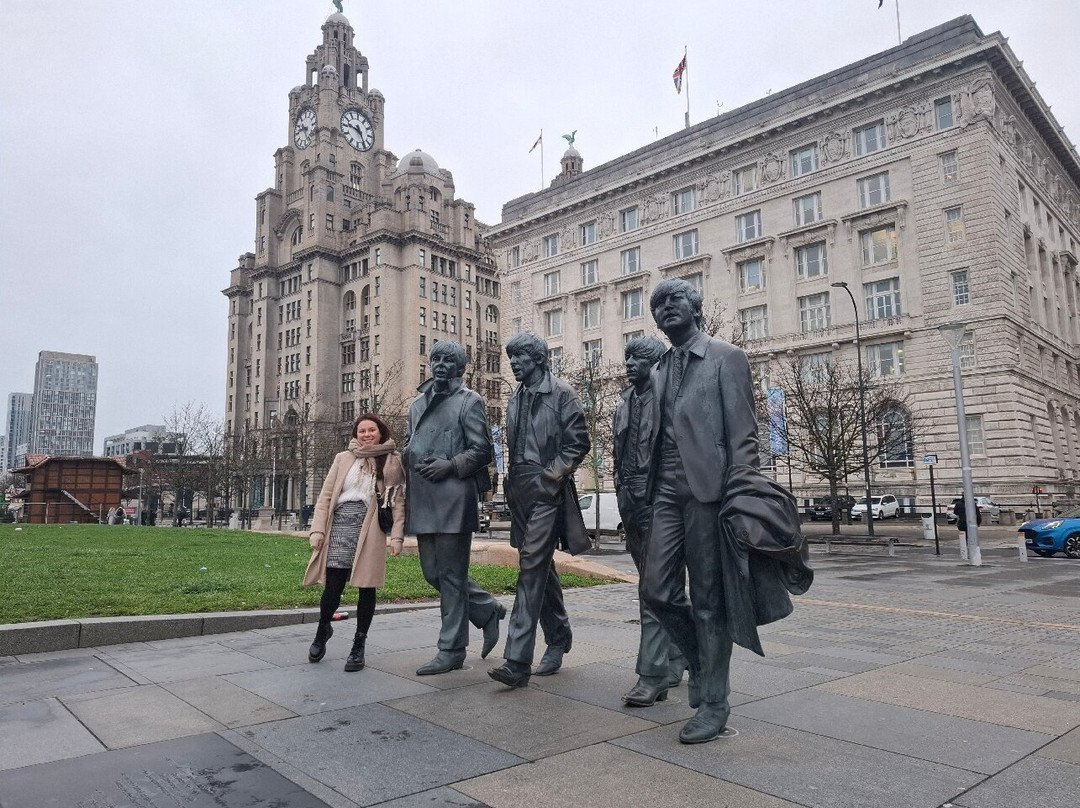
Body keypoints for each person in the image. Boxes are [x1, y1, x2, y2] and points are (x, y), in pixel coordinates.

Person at [643, 278, 812, 744]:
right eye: (657, 304)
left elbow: (743, 437)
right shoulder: (659, 366)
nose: (665, 308)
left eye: (674, 299)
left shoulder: (725, 357)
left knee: (710, 600)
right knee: (656, 591)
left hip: (710, 493)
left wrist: (739, 496)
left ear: (695, 307)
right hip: (666, 493)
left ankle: (714, 701)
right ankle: (700, 663)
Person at [489, 332, 591, 688]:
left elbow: (578, 442)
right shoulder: (515, 398)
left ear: (538, 359)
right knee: (540, 566)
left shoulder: (562, 393)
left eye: (520, 357)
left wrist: (551, 478)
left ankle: (517, 660)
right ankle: (559, 635)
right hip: (518, 491)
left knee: (530, 567)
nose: (514, 363)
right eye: (511, 357)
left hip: (547, 490)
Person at [404, 340, 506, 675]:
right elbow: (412, 442)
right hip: (423, 495)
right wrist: (408, 454)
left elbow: (482, 450)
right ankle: (487, 609)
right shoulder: (417, 404)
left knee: (450, 575)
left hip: (452, 496)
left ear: (460, 367)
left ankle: (452, 649)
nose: (441, 364)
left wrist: (450, 464)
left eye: (449, 360)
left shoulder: (469, 401)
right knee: (433, 573)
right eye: (436, 358)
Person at [613, 335, 687, 707]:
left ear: (655, 362)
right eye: (627, 357)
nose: (628, 364)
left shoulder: (670, 396)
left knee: (653, 589)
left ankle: (652, 674)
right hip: (631, 499)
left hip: (661, 498)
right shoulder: (626, 400)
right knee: (662, 586)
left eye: (637, 358)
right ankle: (681, 655)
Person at [303, 413, 406, 671]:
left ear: (381, 432)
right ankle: (323, 629)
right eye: (362, 431)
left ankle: (358, 645)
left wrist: (397, 536)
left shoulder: (391, 460)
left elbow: (397, 502)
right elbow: (326, 497)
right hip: (339, 525)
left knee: (367, 587)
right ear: (355, 434)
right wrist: (317, 530)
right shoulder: (343, 458)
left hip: (370, 525)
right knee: (333, 587)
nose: (367, 434)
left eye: (372, 430)